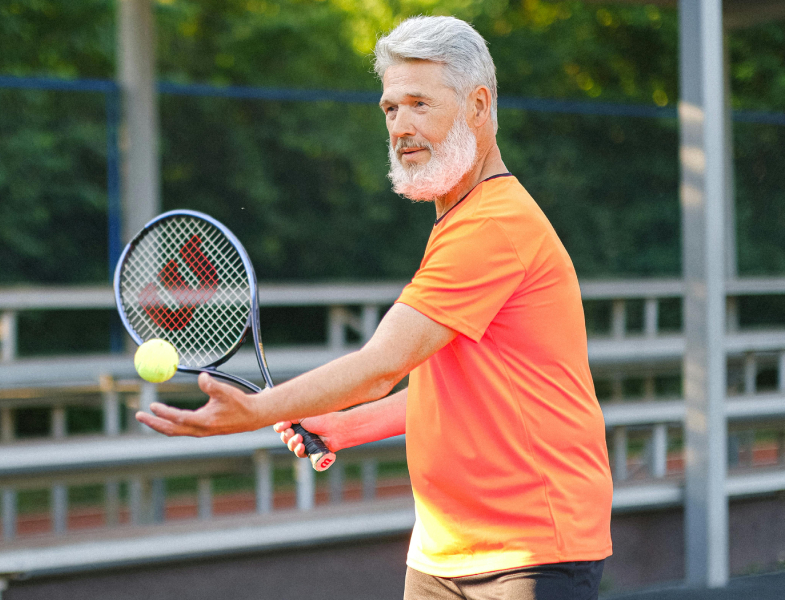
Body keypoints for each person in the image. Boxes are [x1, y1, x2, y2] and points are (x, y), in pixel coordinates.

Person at [137, 15, 613, 600]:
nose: (401, 126)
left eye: (419, 103)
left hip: (529, 554)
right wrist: (344, 426)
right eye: (391, 109)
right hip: (442, 552)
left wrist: (254, 412)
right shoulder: (460, 219)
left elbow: (379, 367)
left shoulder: (495, 226)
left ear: (478, 105)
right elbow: (459, 389)